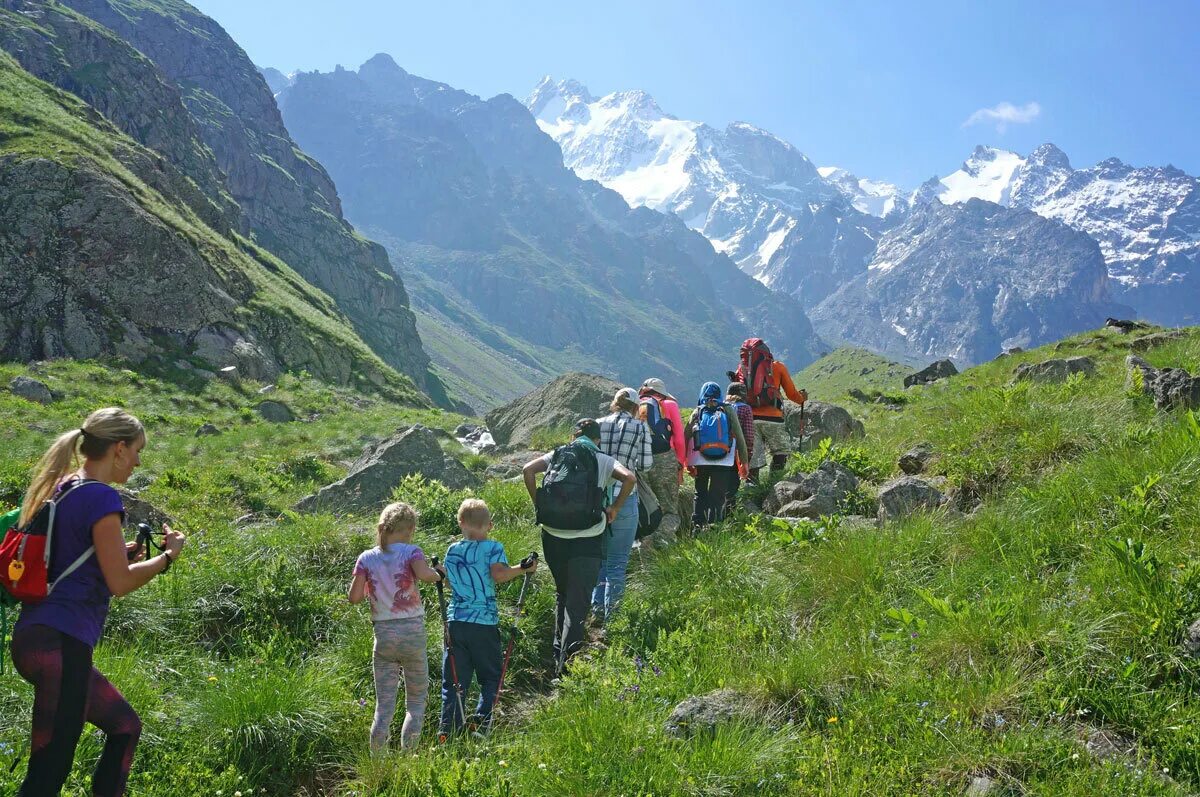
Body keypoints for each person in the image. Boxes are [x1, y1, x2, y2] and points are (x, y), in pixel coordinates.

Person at [10, 408, 186, 797]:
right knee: (46, 775)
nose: (139, 461)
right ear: (119, 449)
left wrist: (115, 553)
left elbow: (70, 556)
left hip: (33, 637)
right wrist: (168, 556)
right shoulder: (102, 498)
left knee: (125, 727)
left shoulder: (64, 486)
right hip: (63, 643)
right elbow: (120, 583)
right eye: (138, 450)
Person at [523, 419, 634, 675]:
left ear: (574, 435)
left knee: (562, 593)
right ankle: (567, 666)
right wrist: (615, 508)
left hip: (552, 535)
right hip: (587, 536)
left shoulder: (557, 454)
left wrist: (539, 504)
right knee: (579, 601)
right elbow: (629, 478)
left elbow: (528, 470)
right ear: (597, 440)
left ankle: (556, 653)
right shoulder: (603, 459)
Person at [347, 502, 443, 751]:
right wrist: (439, 574)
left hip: (384, 636)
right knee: (415, 703)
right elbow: (424, 575)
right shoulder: (412, 552)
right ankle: (408, 759)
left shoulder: (366, 558)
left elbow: (354, 598)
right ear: (410, 528)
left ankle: (378, 764)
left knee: (384, 706)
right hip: (412, 634)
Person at [437, 499, 537, 737]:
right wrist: (523, 568)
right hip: (484, 624)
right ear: (489, 525)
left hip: (456, 622)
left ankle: (448, 729)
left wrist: (442, 574)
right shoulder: (493, 548)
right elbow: (499, 575)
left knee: (454, 680)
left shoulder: (453, 550)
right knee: (490, 676)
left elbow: (452, 583)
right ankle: (481, 723)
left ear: (461, 522)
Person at [591, 388, 652, 622]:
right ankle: (612, 618)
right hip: (624, 497)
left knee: (601, 558)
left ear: (615, 403)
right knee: (618, 561)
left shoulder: (598, 424)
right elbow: (646, 464)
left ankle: (596, 609)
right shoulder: (640, 427)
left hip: (597, 498)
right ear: (635, 406)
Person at [732, 338, 807, 481]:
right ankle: (774, 484)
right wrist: (802, 398)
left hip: (750, 420)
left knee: (753, 458)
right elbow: (792, 394)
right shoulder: (778, 367)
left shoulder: (741, 369)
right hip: (774, 419)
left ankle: (752, 490)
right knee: (781, 452)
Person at [685, 382, 749, 529]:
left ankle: (697, 526)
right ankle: (714, 527)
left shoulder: (698, 410)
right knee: (718, 494)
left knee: (700, 492)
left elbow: (686, 436)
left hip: (701, 459)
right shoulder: (728, 409)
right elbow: (739, 437)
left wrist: (686, 462)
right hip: (723, 460)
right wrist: (744, 462)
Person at [637, 378, 686, 541]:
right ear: (661, 392)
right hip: (664, 458)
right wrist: (680, 462)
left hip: (640, 460)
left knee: (647, 506)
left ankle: (646, 545)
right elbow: (679, 438)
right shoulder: (669, 405)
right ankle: (663, 541)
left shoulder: (634, 404)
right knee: (669, 509)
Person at [724, 382, 756, 514]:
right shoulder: (745, 408)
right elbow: (748, 435)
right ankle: (728, 515)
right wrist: (747, 455)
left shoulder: (721, 407)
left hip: (717, 452)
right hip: (735, 453)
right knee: (732, 485)